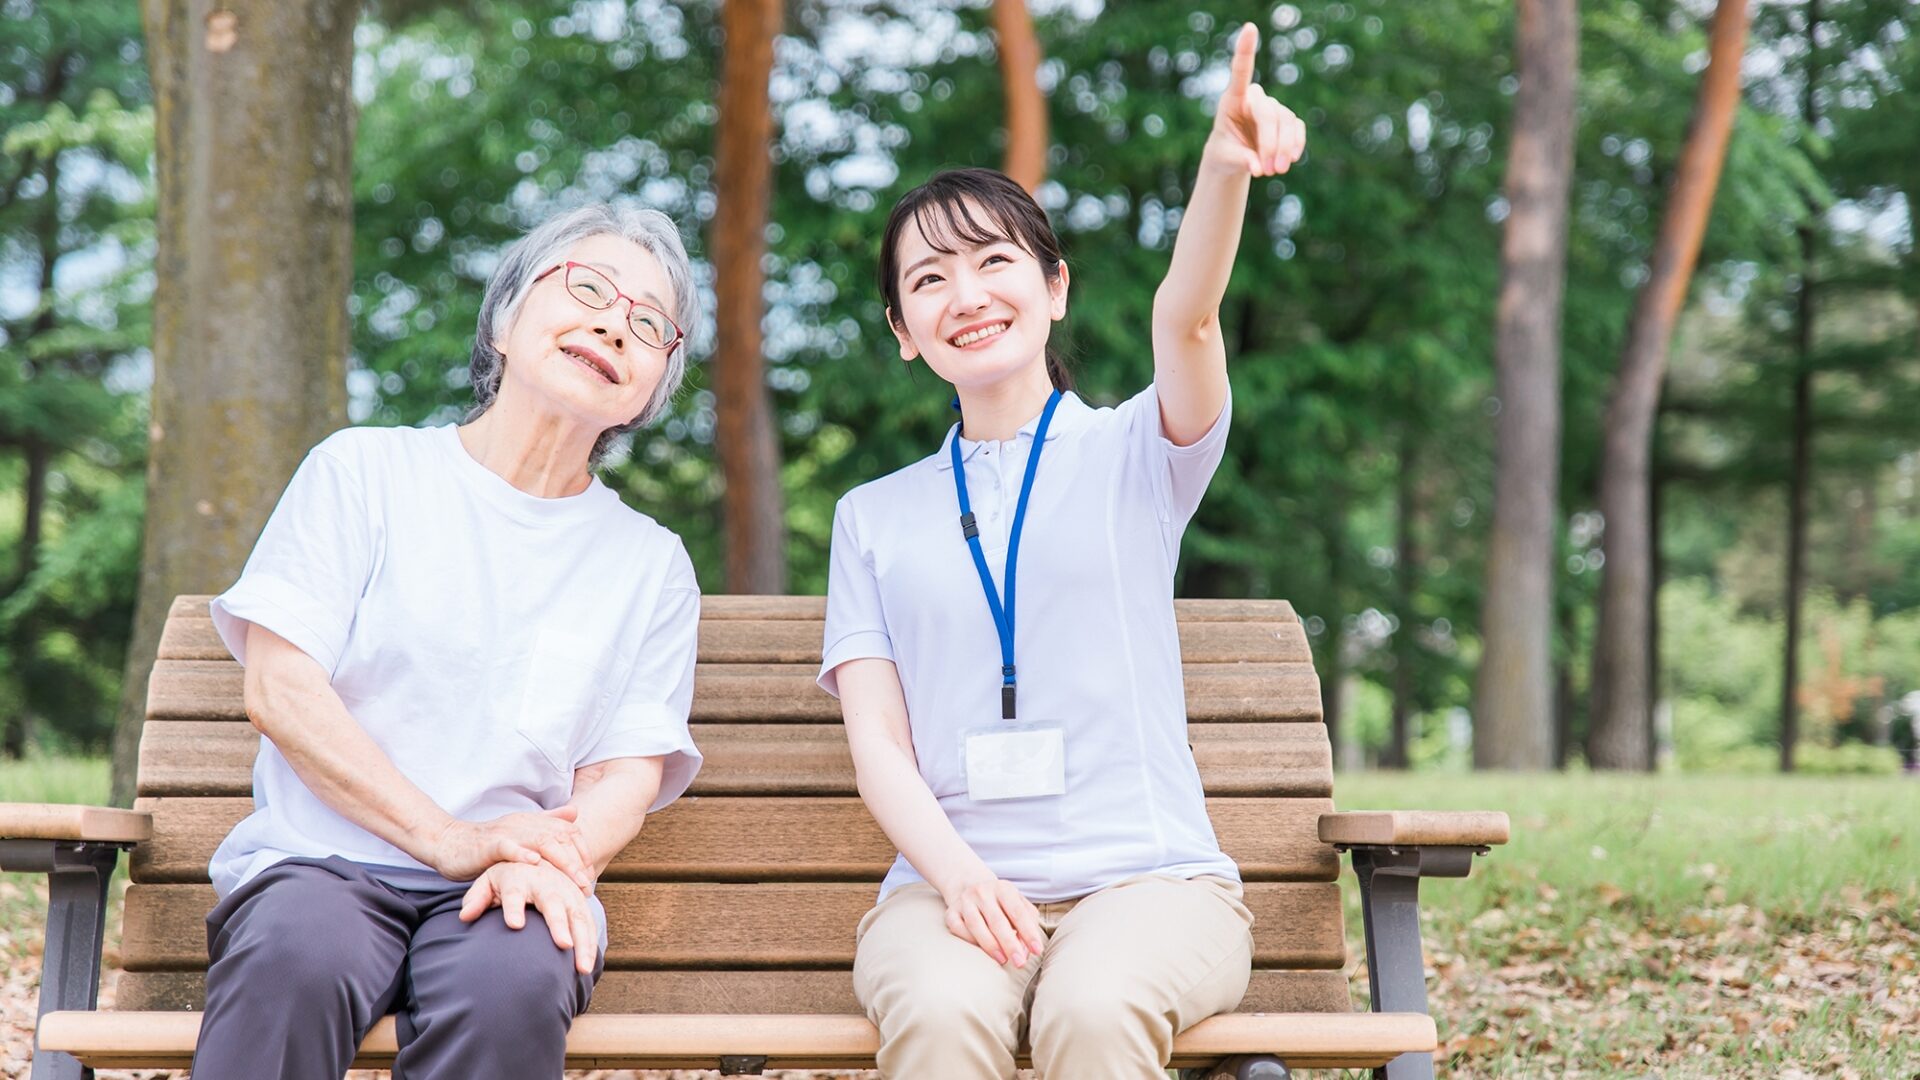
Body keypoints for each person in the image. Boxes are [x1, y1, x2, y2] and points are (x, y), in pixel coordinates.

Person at [817, 25, 1307, 1080]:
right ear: (904, 328)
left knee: (1093, 1008)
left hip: (1155, 888)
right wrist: (959, 880)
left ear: (1055, 288)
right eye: (931, 278)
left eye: (997, 261)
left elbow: (1189, 321)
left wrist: (1223, 172)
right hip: (944, 893)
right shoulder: (873, 515)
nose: (969, 294)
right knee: (943, 1019)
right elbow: (880, 750)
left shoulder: (1138, 452)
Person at [190, 203, 705, 1080]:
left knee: (510, 984)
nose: (615, 322)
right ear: (506, 318)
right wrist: (445, 838)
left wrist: (554, 860)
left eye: (650, 323)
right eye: (587, 287)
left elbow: (625, 774)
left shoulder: (650, 564)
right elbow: (281, 690)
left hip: (509, 882)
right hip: (324, 862)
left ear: (655, 385)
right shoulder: (364, 473)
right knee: (297, 956)